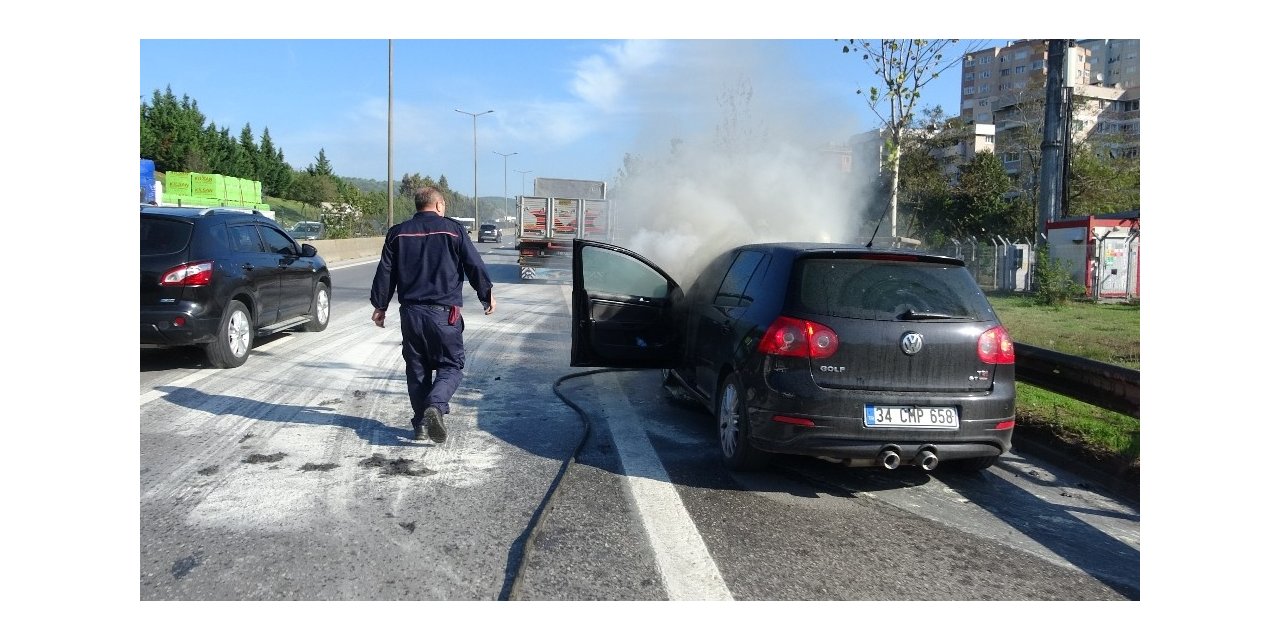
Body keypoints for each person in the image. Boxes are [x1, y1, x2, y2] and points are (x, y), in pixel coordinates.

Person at [370, 187, 495, 443]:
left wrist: (380, 306)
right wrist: (486, 294)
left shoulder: (397, 233)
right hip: (444, 314)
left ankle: (420, 426)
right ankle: (435, 407)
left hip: (411, 314)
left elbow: (386, 272)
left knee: (417, 370)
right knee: (451, 366)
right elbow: (474, 264)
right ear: (438, 205)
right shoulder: (454, 230)